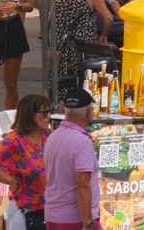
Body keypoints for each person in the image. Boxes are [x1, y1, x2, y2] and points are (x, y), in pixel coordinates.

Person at [0, 93, 50, 230]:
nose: (49, 116)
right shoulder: (14, 140)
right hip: (24, 213)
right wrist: (10, 180)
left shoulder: (48, 135)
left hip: (49, 211)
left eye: (49, 112)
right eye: (44, 113)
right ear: (30, 115)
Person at [49, 0, 111, 101]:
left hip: (59, 44)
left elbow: (43, 11)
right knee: (85, 79)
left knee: (59, 78)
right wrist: (104, 35)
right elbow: (109, 18)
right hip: (83, 46)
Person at [44, 88, 100, 230]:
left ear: (64, 111)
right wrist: (87, 223)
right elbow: (83, 185)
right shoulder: (82, 142)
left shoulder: (52, 137)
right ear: (89, 112)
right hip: (75, 220)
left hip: (53, 216)